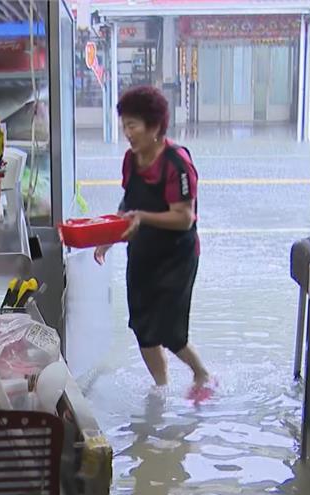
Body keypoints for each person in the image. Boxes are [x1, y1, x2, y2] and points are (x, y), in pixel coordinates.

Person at [94, 85, 212, 398]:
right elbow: (128, 202)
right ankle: (162, 391)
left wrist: (142, 217)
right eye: (125, 127)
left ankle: (203, 375)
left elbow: (184, 217)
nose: (128, 134)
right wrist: (107, 237)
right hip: (143, 253)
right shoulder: (131, 160)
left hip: (177, 256)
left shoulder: (177, 163)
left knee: (171, 332)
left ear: (155, 126)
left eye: (133, 126)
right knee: (143, 329)